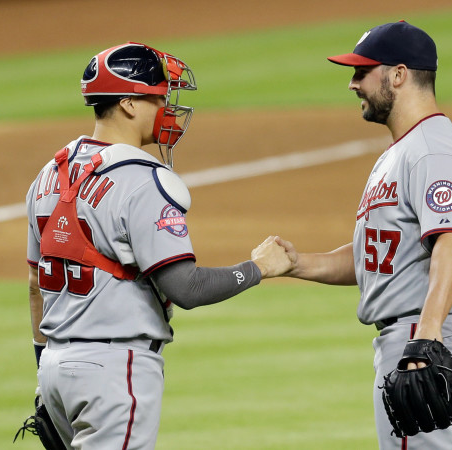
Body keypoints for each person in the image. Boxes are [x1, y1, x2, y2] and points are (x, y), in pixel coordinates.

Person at [25, 42, 291, 449]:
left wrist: (45, 366)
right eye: (159, 97)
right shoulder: (142, 179)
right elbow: (187, 288)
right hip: (113, 373)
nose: (168, 108)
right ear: (130, 104)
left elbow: (34, 283)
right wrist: (259, 268)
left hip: (55, 369)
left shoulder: (49, 173)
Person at [275, 21, 452, 449]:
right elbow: (379, 257)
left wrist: (426, 337)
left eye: (362, 72)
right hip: (430, 329)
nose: (352, 83)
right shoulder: (403, 151)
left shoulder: (433, 150)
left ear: (398, 75)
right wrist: (300, 263)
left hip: (427, 331)